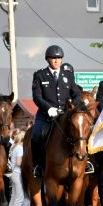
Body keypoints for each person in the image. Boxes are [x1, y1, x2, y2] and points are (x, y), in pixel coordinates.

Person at [30, 45, 84, 178]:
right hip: (46, 115)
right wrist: (48, 108)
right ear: (48, 59)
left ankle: (85, 162)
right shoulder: (40, 75)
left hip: (65, 115)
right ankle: (37, 165)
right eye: (54, 58)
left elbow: (77, 94)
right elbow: (37, 97)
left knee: (81, 133)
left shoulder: (68, 75)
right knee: (36, 135)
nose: (56, 60)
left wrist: (73, 107)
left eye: (59, 58)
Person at [6, 130, 26, 206]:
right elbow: (19, 163)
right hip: (18, 174)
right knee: (19, 197)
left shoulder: (13, 147)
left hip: (12, 174)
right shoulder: (20, 148)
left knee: (13, 196)